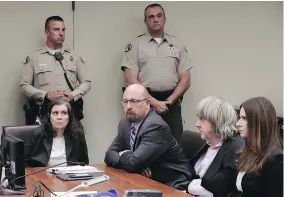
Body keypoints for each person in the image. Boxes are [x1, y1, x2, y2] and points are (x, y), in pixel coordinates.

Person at [121, 3, 192, 141]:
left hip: (172, 102)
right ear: (145, 21)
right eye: (151, 17)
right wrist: (154, 103)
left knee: (175, 145)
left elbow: (186, 79)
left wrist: (169, 101)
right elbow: (131, 81)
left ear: (165, 19)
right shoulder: (135, 45)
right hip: (145, 103)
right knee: (146, 143)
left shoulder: (177, 44)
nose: (155, 19)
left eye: (159, 16)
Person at [104, 84, 190, 190]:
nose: (129, 106)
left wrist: (124, 155)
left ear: (147, 103)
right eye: (125, 102)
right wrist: (136, 165)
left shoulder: (156, 126)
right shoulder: (125, 122)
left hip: (172, 184)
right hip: (145, 179)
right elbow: (109, 155)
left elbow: (133, 163)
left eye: (134, 101)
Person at [20, 15, 91, 124]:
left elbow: (86, 82)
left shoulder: (74, 57)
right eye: (56, 29)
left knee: (74, 140)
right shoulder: (34, 57)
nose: (61, 33)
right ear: (47, 32)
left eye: (63, 30)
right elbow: (24, 86)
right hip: (44, 115)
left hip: (69, 115)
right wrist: (46, 95)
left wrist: (74, 94)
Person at [187, 96, 244, 197]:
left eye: (202, 119)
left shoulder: (236, 149)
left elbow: (230, 191)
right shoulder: (207, 143)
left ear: (217, 120)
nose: (197, 124)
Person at [229, 97, 283, 197]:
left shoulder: (276, 159)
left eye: (244, 118)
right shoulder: (247, 151)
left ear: (260, 122)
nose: (238, 124)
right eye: (239, 118)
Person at [24, 99, 89, 167]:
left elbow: (84, 163)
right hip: (42, 176)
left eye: (64, 113)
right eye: (55, 113)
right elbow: (24, 163)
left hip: (69, 176)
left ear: (69, 117)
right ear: (49, 116)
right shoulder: (36, 133)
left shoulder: (78, 135)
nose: (59, 117)